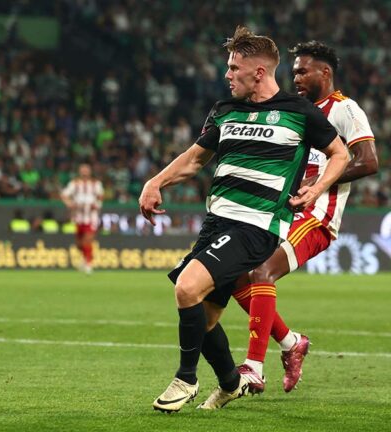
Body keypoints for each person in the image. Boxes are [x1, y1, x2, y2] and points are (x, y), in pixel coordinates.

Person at [140, 26, 349, 413]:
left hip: (256, 226)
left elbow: (341, 155)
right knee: (202, 317)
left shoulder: (298, 112)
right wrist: (156, 181)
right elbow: (194, 159)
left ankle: (185, 379)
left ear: (258, 72)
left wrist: (317, 189)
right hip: (216, 224)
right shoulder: (225, 111)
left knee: (186, 287)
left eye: (234, 67)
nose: (227, 74)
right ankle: (231, 383)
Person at [214, 41, 378, 394]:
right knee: (239, 278)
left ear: (325, 72)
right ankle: (291, 343)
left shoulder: (345, 110)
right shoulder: (297, 109)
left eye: (303, 71)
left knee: (262, 272)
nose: (296, 77)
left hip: (318, 216)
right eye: (294, 72)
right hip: (284, 213)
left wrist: (317, 183)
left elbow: (368, 161)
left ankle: (254, 367)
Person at [61, 163, 103, 274]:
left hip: (91, 217)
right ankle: (85, 259)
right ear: (79, 172)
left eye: (86, 170)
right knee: (79, 244)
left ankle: (88, 264)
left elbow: (100, 197)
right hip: (78, 217)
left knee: (87, 240)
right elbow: (64, 195)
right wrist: (69, 203)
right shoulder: (74, 184)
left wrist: (97, 204)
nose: (84, 173)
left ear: (89, 172)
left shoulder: (96, 184)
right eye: (82, 170)